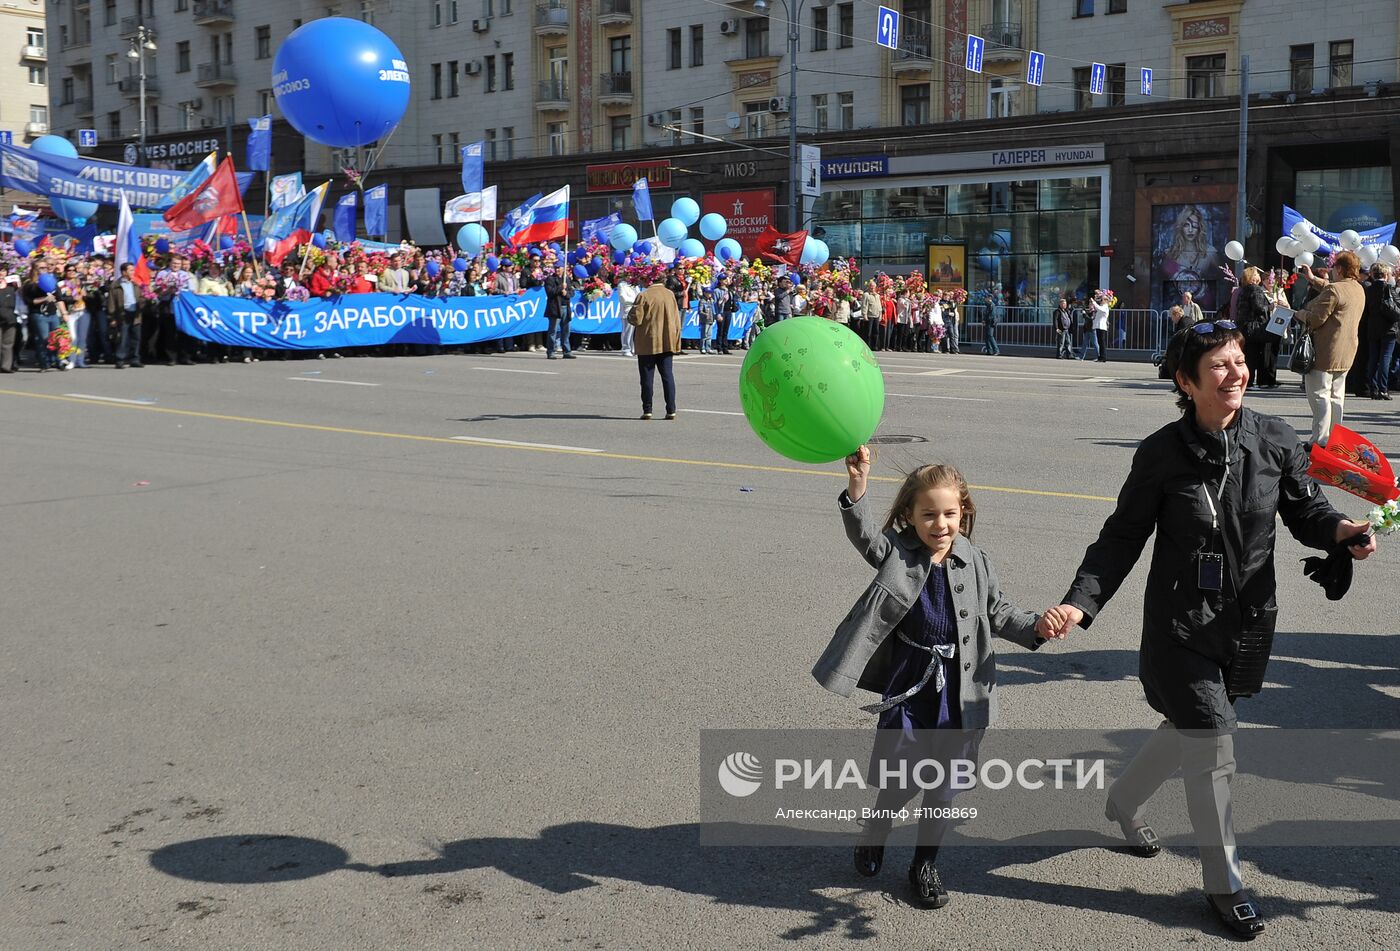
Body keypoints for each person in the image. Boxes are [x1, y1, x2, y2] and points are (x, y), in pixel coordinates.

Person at [1041, 322, 1376, 938]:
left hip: (1247, 621)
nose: (1237, 373)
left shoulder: (1272, 438)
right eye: (1219, 366)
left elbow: (1306, 509)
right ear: (1185, 383)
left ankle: (1122, 803)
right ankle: (1224, 884)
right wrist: (1080, 603)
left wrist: (1342, 532)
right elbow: (1121, 539)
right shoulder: (1162, 454)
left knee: (1193, 725)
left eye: (1240, 361)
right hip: (1179, 626)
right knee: (1214, 741)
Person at [813, 448, 1055, 909]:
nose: (940, 524)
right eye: (928, 514)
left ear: (964, 511)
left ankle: (924, 863)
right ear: (909, 515)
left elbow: (998, 612)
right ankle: (877, 829)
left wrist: (1037, 625)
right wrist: (858, 485)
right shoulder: (896, 552)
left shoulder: (976, 559)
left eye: (950, 513)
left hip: (963, 687)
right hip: (911, 683)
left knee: (944, 784)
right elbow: (865, 535)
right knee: (902, 775)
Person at [1295, 252, 1365, 448]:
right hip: (1346, 351)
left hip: (1326, 350)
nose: (1332, 270)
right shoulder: (1358, 289)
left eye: (1334, 267)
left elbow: (1316, 319)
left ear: (1340, 269)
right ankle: (1334, 437)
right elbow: (1333, 290)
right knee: (1336, 397)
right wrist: (1312, 278)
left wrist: (1299, 313)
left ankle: (1319, 439)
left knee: (1319, 396)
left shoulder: (1335, 290)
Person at [627, 275, 681, 420]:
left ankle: (647, 409)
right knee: (668, 376)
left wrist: (630, 313)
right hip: (667, 340)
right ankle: (671, 409)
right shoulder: (670, 295)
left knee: (646, 377)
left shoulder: (643, 295)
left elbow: (636, 319)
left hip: (648, 341)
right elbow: (677, 318)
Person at [1361, 263, 1399, 400]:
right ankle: (1383, 389)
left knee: (1373, 358)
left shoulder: (1368, 290)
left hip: (1373, 328)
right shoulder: (1389, 289)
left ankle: (1373, 388)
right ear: (1386, 275)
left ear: (1372, 274)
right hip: (1389, 329)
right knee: (1385, 359)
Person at [1233, 267, 1275, 388]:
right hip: (1254, 327)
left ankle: (1248, 381)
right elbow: (1259, 308)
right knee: (1255, 355)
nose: (1259, 276)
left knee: (1247, 355)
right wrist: (1271, 306)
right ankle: (1251, 381)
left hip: (1243, 327)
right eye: (1256, 274)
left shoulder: (1243, 290)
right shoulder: (1255, 289)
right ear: (1252, 277)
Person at [22, 265, 60, 372]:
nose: (45, 269)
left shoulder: (51, 280)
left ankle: (56, 360)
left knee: (56, 338)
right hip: (39, 315)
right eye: (41, 267)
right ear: (35, 270)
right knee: (43, 339)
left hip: (52, 313)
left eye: (45, 267)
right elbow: (29, 301)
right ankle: (44, 363)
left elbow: (58, 295)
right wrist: (44, 299)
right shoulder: (30, 285)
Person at [106, 262, 144, 369]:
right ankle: (120, 359)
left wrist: (143, 302)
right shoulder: (116, 285)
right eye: (130, 270)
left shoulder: (135, 284)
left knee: (136, 337)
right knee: (123, 337)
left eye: (133, 270)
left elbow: (140, 297)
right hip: (122, 314)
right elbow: (111, 302)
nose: (133, 272)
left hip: (135, 314)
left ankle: (135, 359)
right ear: (124, 272)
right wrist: (112, 317)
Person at [542, 263, 573, 359]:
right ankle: (551, 351)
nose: (557, 270)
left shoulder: (566, 279)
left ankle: (567, 351)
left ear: (563, 269)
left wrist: (566, 293)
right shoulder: (550, 279)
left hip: (565, 307)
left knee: (566, 331)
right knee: (553, 331)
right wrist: (560, 288)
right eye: (555, 268)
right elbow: (550, 292)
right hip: (555, 308)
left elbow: (572, 293)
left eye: (559, 268)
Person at [0, 270, 17, 373]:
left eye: (3, 271)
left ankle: (6, 366)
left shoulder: (11, 289)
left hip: (9, 320)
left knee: (8, 343)